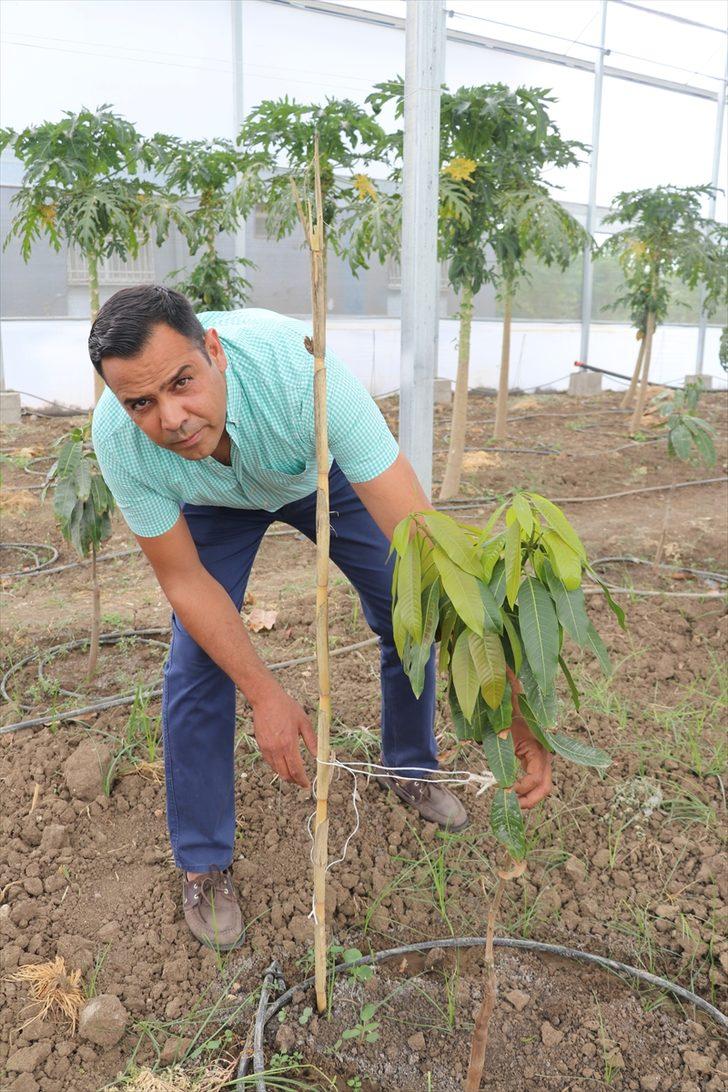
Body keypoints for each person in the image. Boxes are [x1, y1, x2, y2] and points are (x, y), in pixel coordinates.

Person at [90, 285, 553, 949]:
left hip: (316, 475)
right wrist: (265, 693)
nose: (173, 419)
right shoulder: (119, 440)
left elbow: (427, 551)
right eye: (141, 403)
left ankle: (411, 769)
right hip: (211, 502)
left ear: (213, 350)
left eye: (182, 382)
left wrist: (508, 702)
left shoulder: (298, 371)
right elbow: (185, 581)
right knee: (196, 665)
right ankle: (203, 862)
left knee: (406, 605)